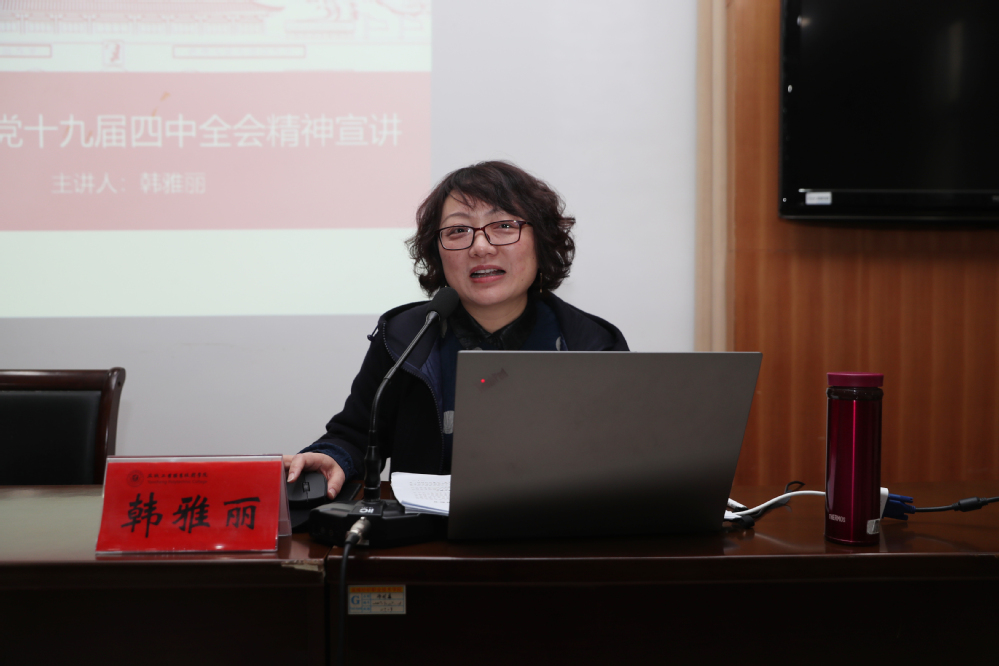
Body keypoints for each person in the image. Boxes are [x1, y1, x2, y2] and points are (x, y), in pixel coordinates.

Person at [284, 161, 629, 497]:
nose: (481, 247)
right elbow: (356, 435)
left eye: (504, 225)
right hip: (427, 532)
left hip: (557, 529)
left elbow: (623, 456)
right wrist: (333, 458)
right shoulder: (405, 337)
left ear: (541, 240)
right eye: (458, 231)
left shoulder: (591, 344)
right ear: (437, 252)